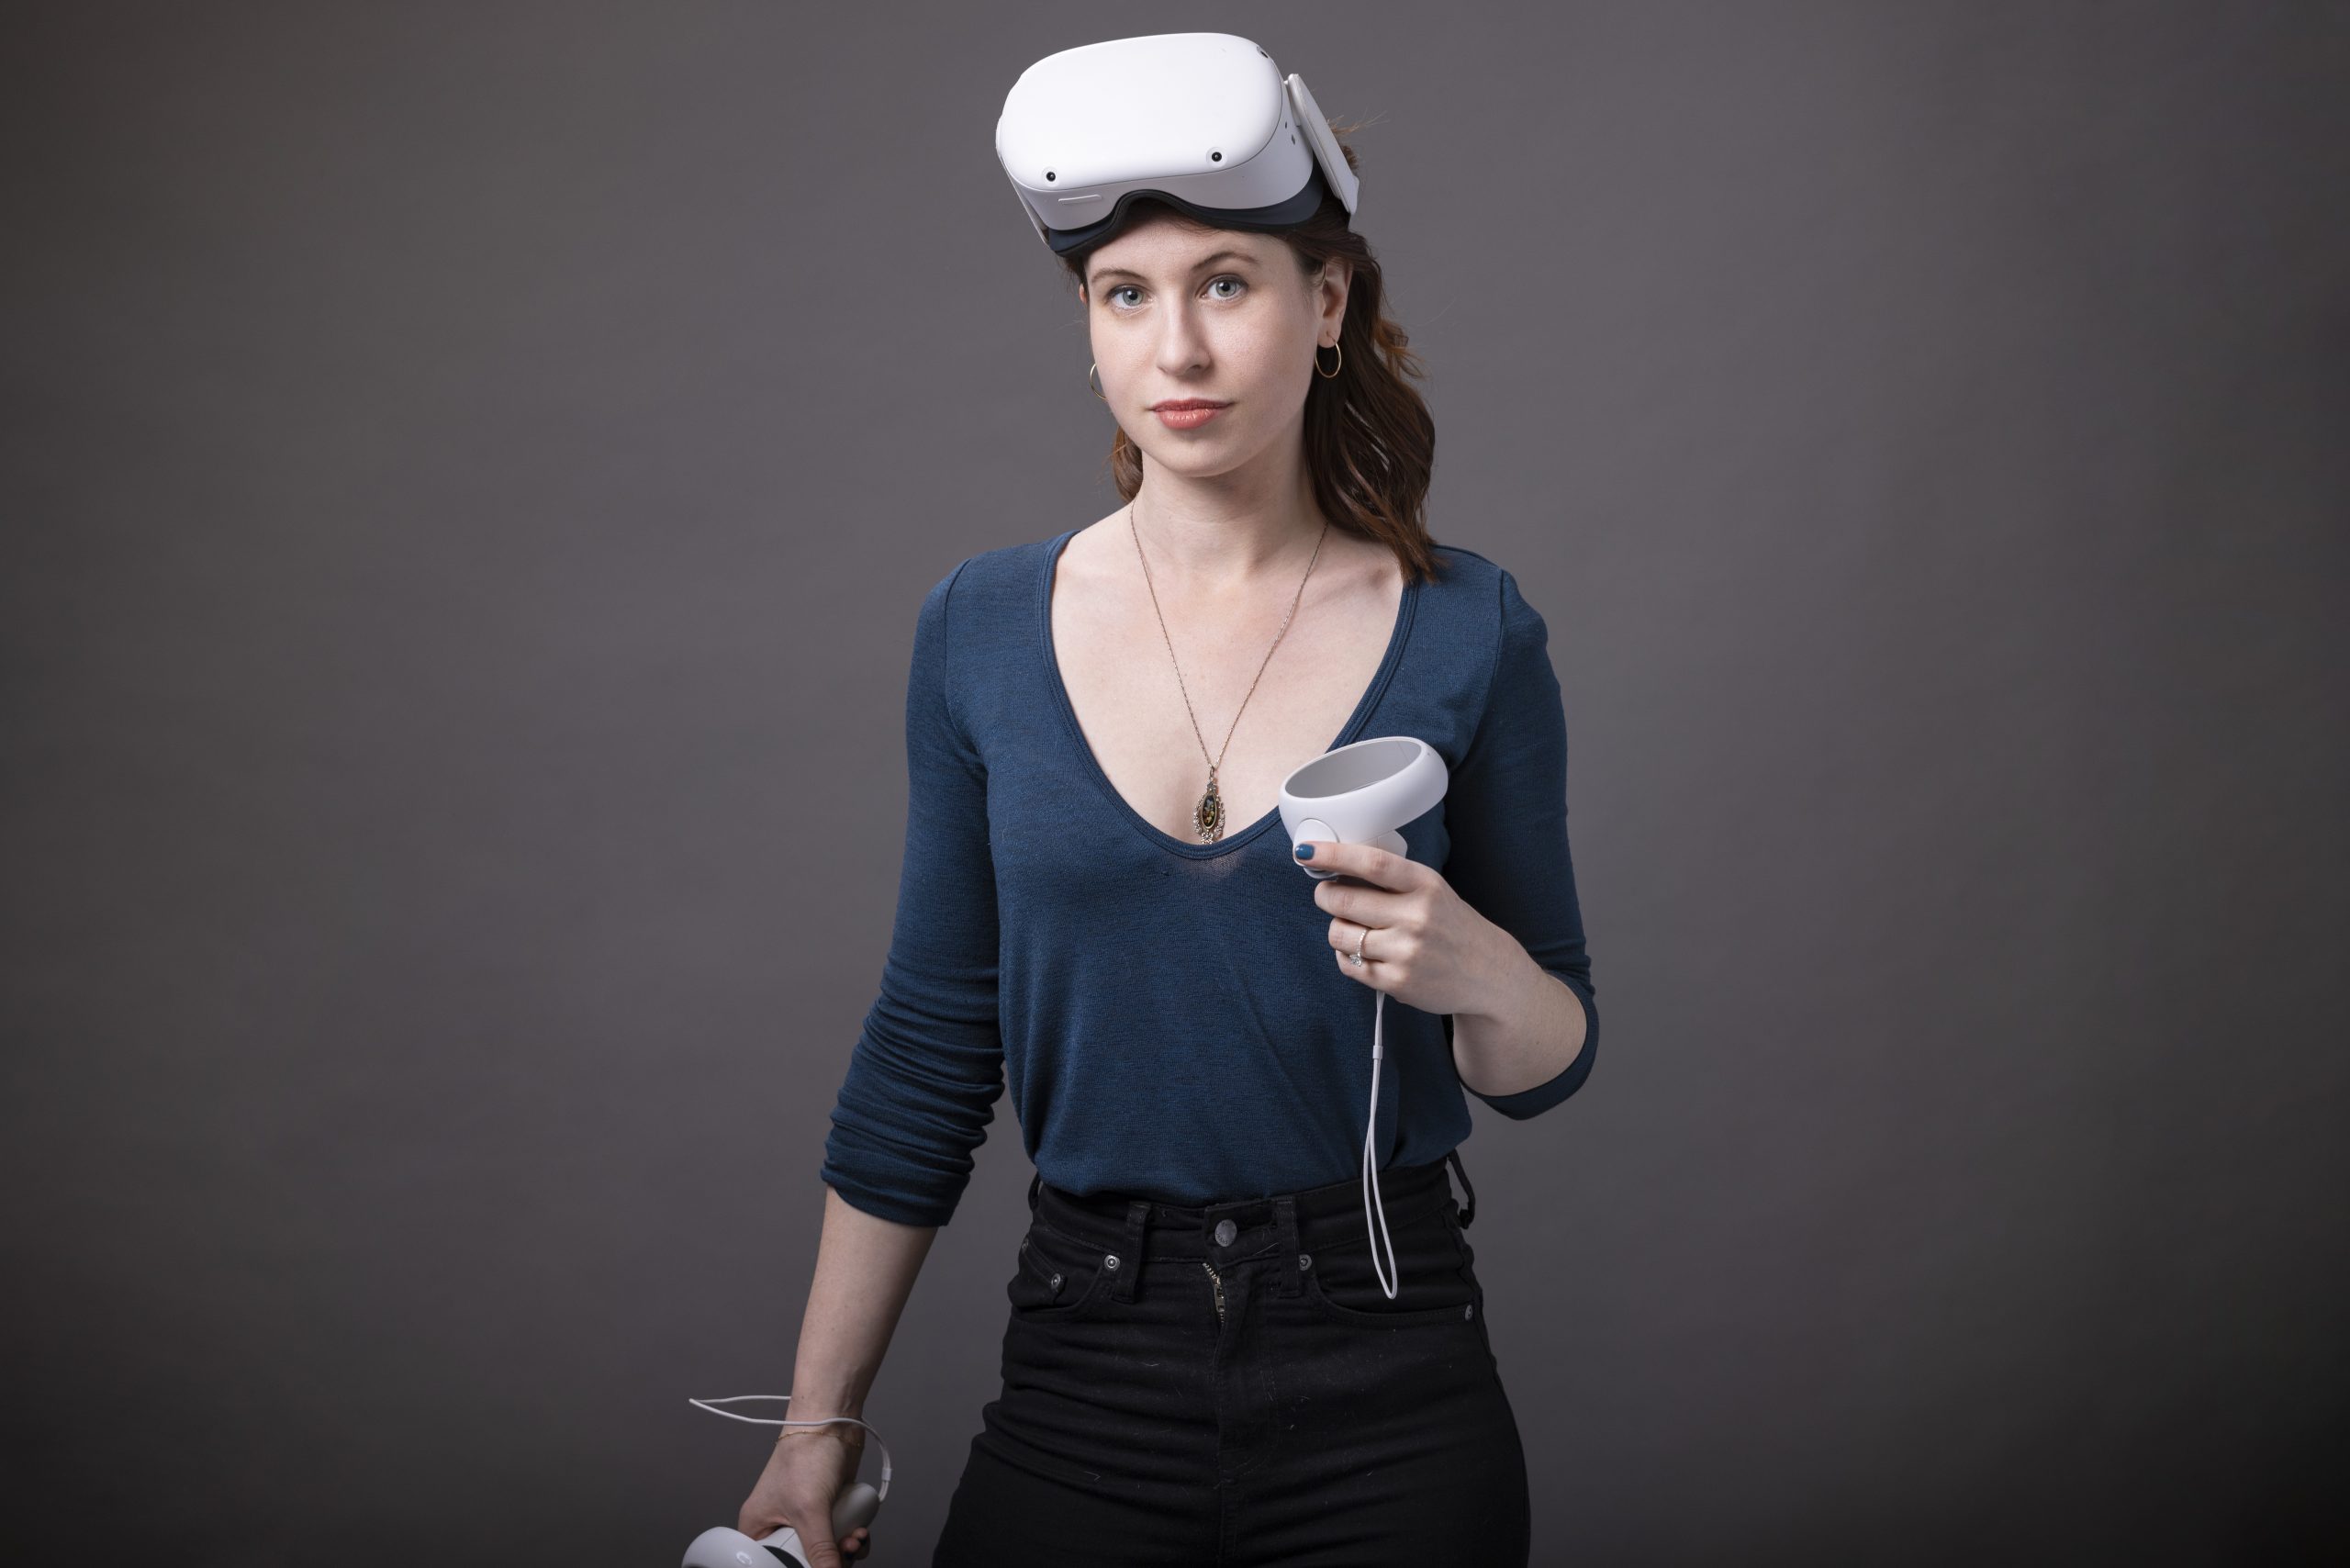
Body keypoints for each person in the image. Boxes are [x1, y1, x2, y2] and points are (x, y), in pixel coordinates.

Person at [734, 100, 1600, 1568]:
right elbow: (931, 1050)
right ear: (1089, 328)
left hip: (1390, 1368)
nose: (1176, 352)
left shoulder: (1471, 629)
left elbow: (1549, 1059)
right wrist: (813, 1430)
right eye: (1126, 295)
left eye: (1227, 284)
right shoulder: (981, 629)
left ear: (1324, 305)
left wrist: (1480, 971)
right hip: (1088, 1365)